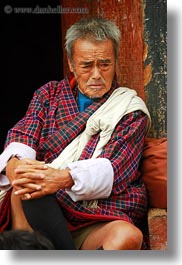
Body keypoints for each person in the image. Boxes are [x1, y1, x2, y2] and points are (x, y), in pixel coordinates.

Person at [0, 17, 151, 250]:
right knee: (24, 188)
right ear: (71, 63)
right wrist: (14, 166)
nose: (96, 74)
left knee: (127, 237)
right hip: (43, 209)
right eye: (86, 65)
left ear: (116, 63)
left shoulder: (129, 108)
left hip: (98, 210)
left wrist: (61, 179)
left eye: (105, 64)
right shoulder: (49, 95)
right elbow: (24, 133)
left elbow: (115, 167)